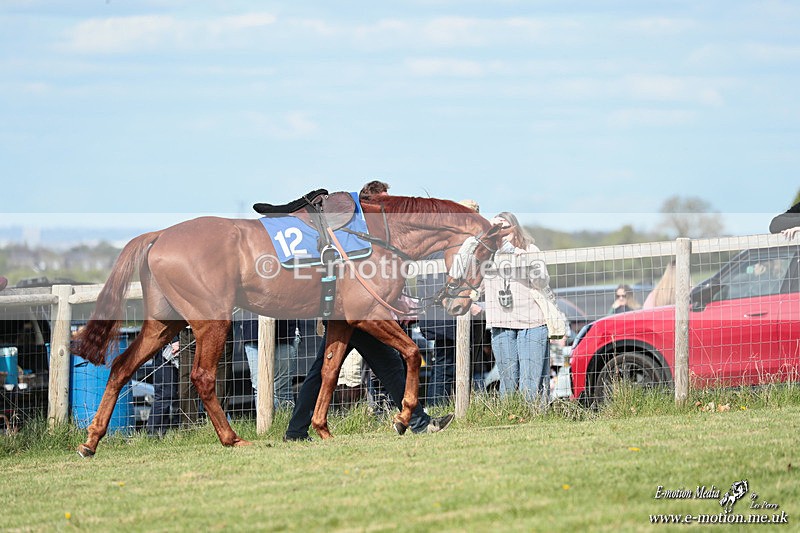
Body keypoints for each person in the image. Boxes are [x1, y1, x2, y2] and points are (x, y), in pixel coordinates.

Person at [284, 325, 454, 441]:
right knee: (389, 364)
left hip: (347, 316)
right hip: (355, 317)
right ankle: (420, 422)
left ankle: (296, 430)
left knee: (322, 370)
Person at [483, 211, 553, 405]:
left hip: (532, 321)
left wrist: (526, 260)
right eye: (497, 229)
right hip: (501, 323)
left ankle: (533, 415)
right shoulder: (487, 253)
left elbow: (542, 281)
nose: (502, 232)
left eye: (506, 227)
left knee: (531, 379)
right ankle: (509, 414)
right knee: (507, 378)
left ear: (515, 228)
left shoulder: (530, 249)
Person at [239, 312, 296, 409]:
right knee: (260, 388)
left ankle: (285, 423)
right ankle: (265, 424)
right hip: (252, 331)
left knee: (282, 388)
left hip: (285, 330)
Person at [147, 338, 180, 436]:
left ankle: (180, 431)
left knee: (182, 394)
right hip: (166, 349)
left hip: (183, 344)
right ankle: (154, 435)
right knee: (164, 394)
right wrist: (174, 340)